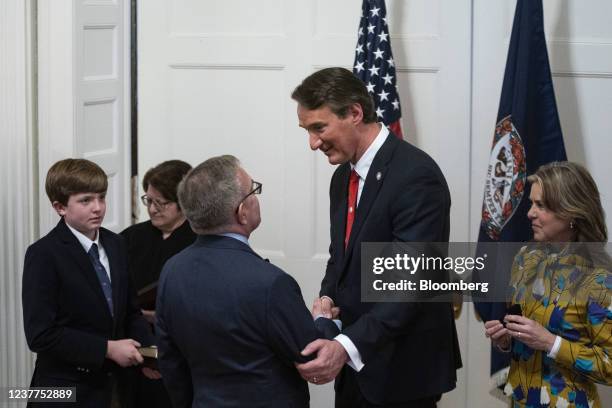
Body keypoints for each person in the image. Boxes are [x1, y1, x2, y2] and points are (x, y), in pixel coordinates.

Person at [291, 67, 462, 407]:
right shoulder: (343, 177)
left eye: (318, 128)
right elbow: (341, 256)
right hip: (357, 365)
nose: (312, 143)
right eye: (307, 130)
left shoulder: (415, 175)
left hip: (402, 371)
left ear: (355, 113)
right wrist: (327, 301)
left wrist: (345, 346)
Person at [155, 155, 340, 408]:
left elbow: (170, 361)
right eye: (254, 190)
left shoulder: (172, 270)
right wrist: (325, 322)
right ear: (242, 212)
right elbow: (311, 354)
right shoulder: (270, 283)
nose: (256, 197)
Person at [22, 158, 155, 407]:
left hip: (113, 387)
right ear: (60, 207)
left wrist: (149, 355)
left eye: (101, 197)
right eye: (86, 200)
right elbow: (41, 335)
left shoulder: (116, 244)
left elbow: (130, 312)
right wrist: (106, 348)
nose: (98, 208)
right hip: (63, 389)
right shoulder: (43, 254)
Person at [484, 161, 612, 407]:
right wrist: (505, 339)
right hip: (520, 399)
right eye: (532, 203)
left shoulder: (598, 278)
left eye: (541, 205)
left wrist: (552, 343)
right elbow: (523, 332)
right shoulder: (524, 258)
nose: (530, 212)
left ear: (572, 212)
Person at [121, 160, 196, 407]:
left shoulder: (199, 241)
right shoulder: (131, 237)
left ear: (183, 203)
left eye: (161, 203)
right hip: (133, 348)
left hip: (182, 355)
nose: (152, 209)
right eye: (148, 200)